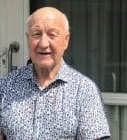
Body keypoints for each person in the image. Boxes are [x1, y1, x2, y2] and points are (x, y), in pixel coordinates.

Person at [0, 7, 110, 140]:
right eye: (36, 34)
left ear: (66, 40)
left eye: (52, 34)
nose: (43, 43)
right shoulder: (5, 86)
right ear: (28, 39)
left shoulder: (84, 90)